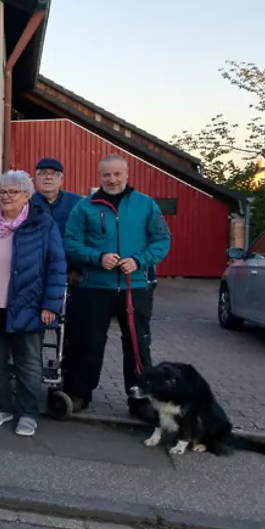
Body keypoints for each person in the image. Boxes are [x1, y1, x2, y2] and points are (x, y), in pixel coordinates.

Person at [62, 154, 171, 422]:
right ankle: (79, 393)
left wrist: (139, 261)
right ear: (99, 176)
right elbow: (70, 242)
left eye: (117, 174)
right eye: (106, 175)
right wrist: (97, 257)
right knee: (88, 342)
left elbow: (162, 240)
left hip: (135, 287)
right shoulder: (85, 207)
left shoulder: (146, 205)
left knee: (137, 344)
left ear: (126, 174)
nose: (112, 180)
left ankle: (140, 398)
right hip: (94, 287)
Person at [0, 170, 66, 437]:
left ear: (27, 195)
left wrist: (51, 305)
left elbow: (56, 265)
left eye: (13, 191)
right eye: (2, 191)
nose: (6, 197)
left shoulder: (42, 223)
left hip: (28, 304)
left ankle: (28, 413)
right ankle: (2, 407)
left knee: (28, 361)